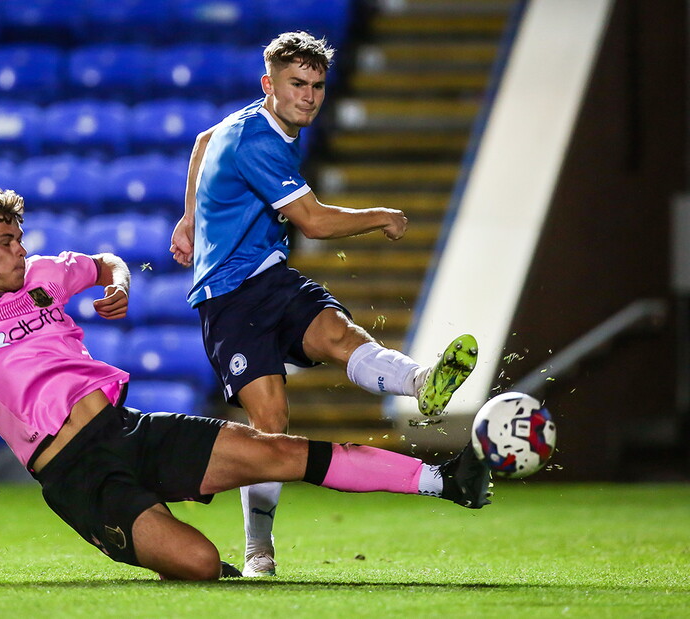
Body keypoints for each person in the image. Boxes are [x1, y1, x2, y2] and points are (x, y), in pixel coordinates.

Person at [0, 188, 491, 581]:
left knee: (277, 448)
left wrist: (117, 283)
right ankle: (197, 549)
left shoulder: (42, 278)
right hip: (76, 473)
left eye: (20, 235)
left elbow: (104, 260)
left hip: (128, 427)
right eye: (5, 240)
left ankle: (445, 480)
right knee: (198, 565)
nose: (20, 247)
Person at [169, 31, 479, 577]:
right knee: (272, 425)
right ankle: (258, 549)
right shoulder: (257, 142)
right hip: (228, 296)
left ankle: (421, 384)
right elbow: (313, 220)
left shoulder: (250, 122)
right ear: (270, 85)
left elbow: (200, 141)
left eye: (316, 85)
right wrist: (380, 215)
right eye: (296, 84)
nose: (308, 96)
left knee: (339, 333)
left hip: (271, 278)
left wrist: (190, 217)